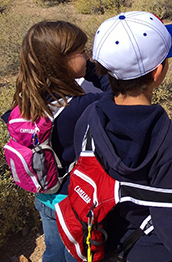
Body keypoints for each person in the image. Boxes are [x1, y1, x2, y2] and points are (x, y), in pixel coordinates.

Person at [73, 11, 172, 262]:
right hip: (151, 248)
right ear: (158, 73)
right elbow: (171, 221)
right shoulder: (170, 139)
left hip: (100, 239)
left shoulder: (89, 117)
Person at [1, 21, 110, 262]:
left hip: (44, 195)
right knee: (77, 253)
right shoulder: (78, 107)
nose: (87, 56)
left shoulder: (26, 100)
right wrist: (93, 70)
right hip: (73, 200)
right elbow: (115, 96)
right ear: (61, 62)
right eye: (82, 52)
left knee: (53, 249)